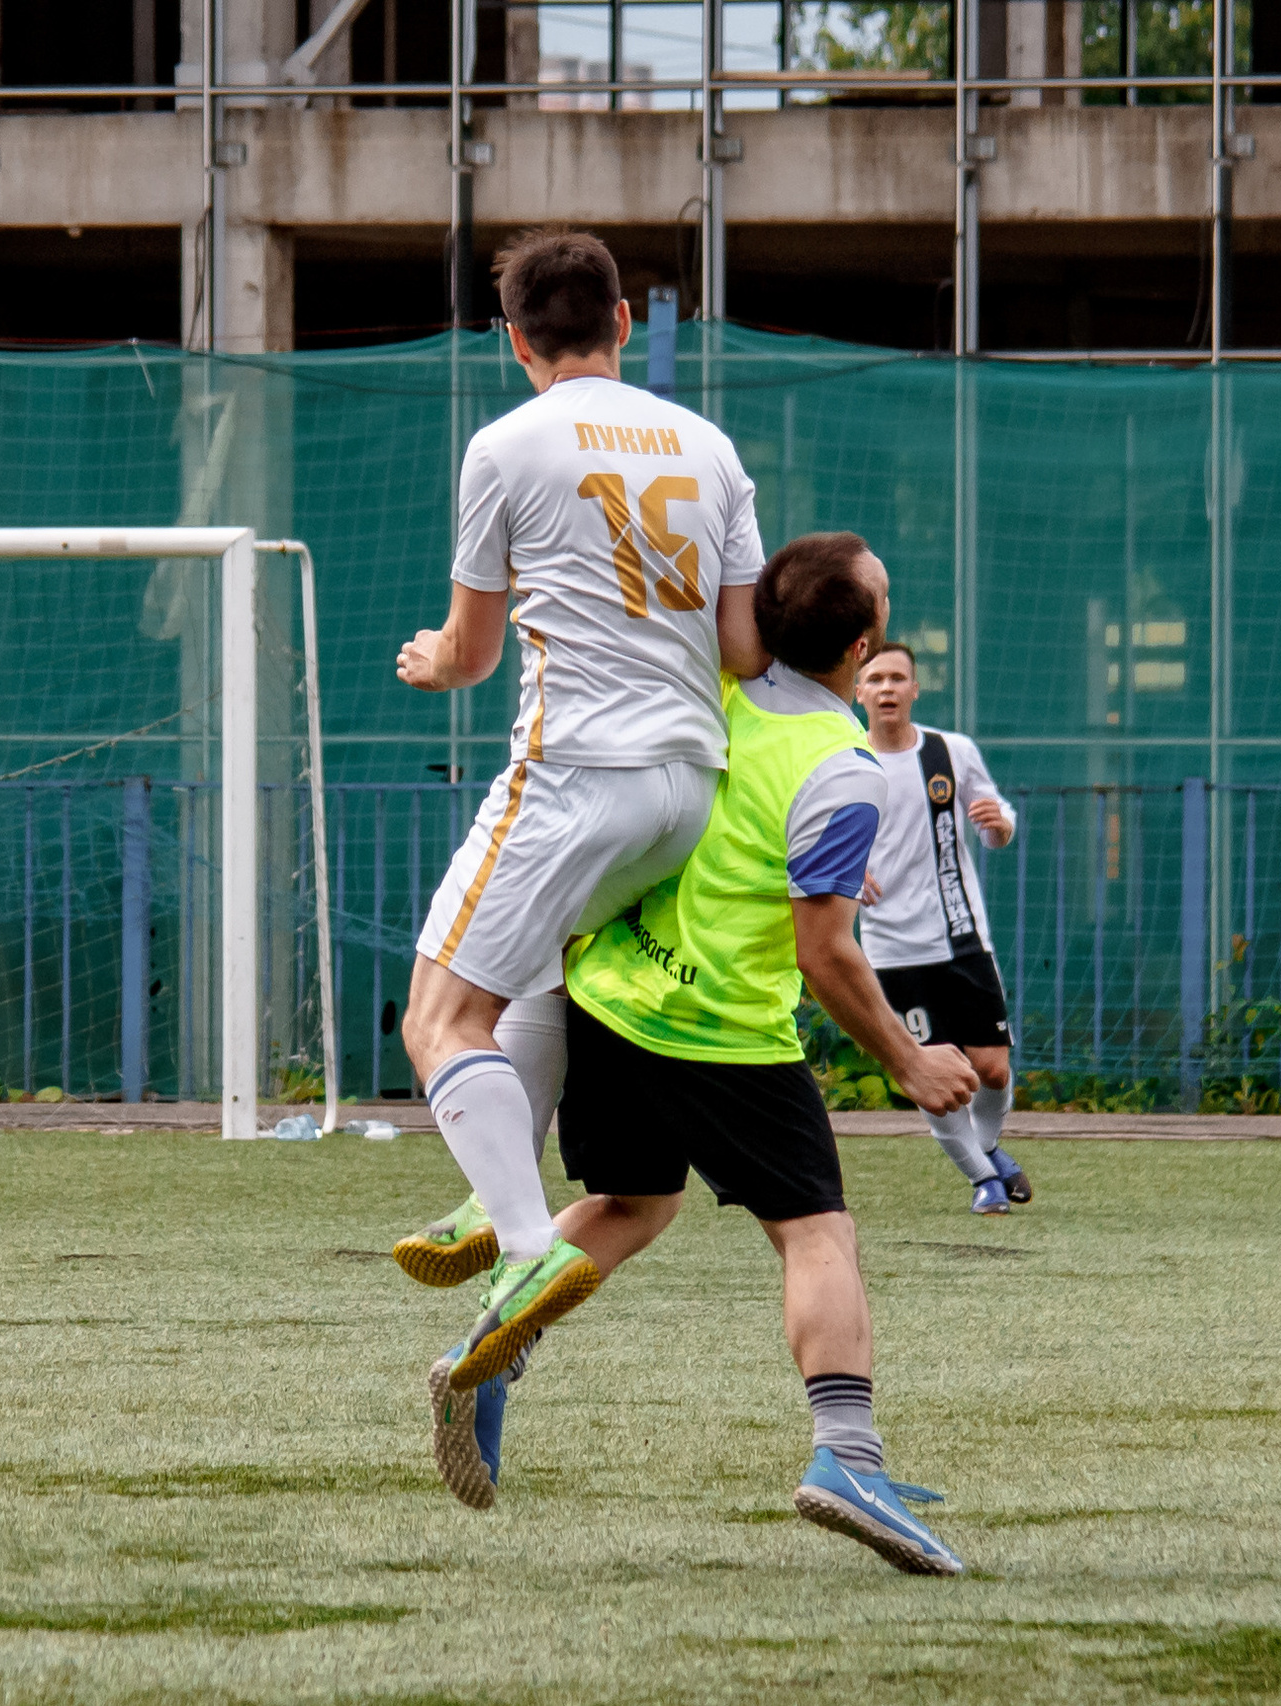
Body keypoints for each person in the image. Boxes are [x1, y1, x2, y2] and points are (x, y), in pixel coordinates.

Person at [432, 532, 980, 1573]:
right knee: (817, 1233)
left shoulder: (703, 699)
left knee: (637, 1200)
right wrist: (909, 1062)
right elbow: (824, 951)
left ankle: (487, 1353)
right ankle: (847, 1456)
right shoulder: (842, 767)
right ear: (864, 648)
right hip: (722, 1031)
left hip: (607, 990)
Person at [390, 226, 770, 1392]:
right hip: (688, 786)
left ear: (513, 341)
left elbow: (472, 647)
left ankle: (519, 1248)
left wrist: (429, 660)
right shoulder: (709, 446)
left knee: (440, 1017)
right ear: (620, 320)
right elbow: (745, 650)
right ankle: (490, 1183)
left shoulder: (504, 445)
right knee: (546, 961)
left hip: (574, 774)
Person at [850, 641, 1026, 1214]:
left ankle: (989, 1146)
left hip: (961, 937)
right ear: (858, 692)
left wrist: (999, 824)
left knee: (992, 1068)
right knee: (931, 1073)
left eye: (898, 678)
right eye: (875, 679)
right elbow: (807, 838)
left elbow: (995, 825)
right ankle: (984, 1178)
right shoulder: (844, 760)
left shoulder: (952, 752)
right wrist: (849, 876)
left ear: (915, 689)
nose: (887, 689)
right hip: (893, 948)